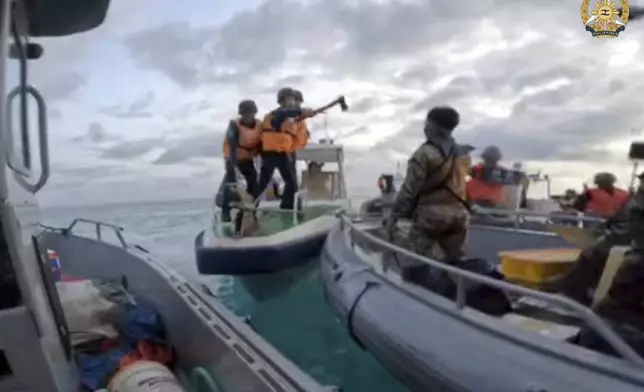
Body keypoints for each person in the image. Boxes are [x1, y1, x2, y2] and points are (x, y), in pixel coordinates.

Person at [385, 106, 469, 268]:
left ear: (432, 126)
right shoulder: (463, 153)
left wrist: (395, 216)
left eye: (426, 123)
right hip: (460, 215)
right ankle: (455, 292)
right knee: (458, 263)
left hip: (432, 217)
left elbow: (409, 191)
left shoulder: (424, 154)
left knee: (420, 262)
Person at [256, 87, 312, 210]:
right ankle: (249, 206)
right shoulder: (275, 114)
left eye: (293, 99)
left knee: (292, 184)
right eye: (289, 99)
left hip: (283, 154)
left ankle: (286, 208)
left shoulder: (291, 118)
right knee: (263, 183)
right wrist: (301, 112)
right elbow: (280, 118)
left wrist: (302, 115)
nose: (292, 102)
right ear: (282, 101)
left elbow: (296, 129)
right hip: (270, 154)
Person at [220, 99, 261, 222]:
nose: (248, 115)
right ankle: (225, 212)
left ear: (255, 112)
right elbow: (232, 146)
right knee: (231, 184)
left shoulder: (259, 125)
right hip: (233, 159)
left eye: (251, 112)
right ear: (241, 114)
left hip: (247, 159)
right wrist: (234, 167)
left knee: (254, 183)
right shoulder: (234, 125)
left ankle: (250, 210)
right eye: (245, 113)